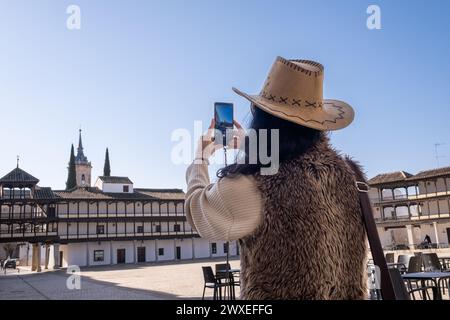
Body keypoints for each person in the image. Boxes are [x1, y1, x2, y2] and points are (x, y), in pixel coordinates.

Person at [185, 57, 367, 299]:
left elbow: (198, 212)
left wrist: (200, 156)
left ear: (260, 120)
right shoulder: (351, 176)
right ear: (317, 123)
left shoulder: (256, 185)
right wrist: (252, 147)